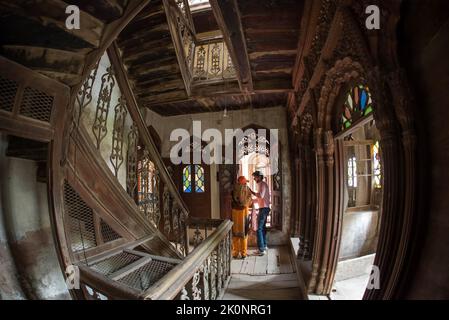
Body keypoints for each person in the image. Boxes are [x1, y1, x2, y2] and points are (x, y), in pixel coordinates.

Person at [231, 176, 253, 259]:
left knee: (235, 234)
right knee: (244, 233)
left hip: (235, 213)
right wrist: (245, 204)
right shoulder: (246, 189)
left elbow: (233, 200)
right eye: (245, 182)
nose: (246, 183)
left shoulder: (234, 189)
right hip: (244, 213)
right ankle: (243, 253)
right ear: (243, 182)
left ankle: (235, 253)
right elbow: (249, 201)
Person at [250, 171, 271, 256]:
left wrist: (251, 192)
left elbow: (261, 196)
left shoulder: (262, 184)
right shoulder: (261, 184)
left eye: (255, 177)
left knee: (259, 229)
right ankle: (264, 246)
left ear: (259, 177)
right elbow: (261, 198)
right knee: (262, 228)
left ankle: (261, 249)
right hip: (264, 208)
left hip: (264, 209)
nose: (254, 179)